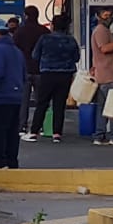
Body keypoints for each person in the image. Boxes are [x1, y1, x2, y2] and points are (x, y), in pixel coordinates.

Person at [28, 14, 81, 143]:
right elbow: (76, 58)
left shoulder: (44, 39)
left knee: (42, 103)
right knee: (59, 104)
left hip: (47, 73)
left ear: (53, 25)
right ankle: (57, 133)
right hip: (65, 74)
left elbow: (35, 55)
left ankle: (34, 132)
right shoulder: (71, 40)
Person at [0, 19, 27, 169]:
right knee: (12, 130)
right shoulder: (17, 51)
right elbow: (23, 74)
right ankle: (12, 160)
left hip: (2, 96)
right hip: (16, 97)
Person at [90, 8, 113, 145]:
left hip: (103, 73)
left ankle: (100, 135)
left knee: (103, 107)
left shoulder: (102, 30)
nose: (109, 18)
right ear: (99, 16)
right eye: (105, 15)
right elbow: (104, 48)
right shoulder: (101, 31)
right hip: (108, 73)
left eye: (110, 15)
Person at [13, 6, 48, 136]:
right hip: (41, 69)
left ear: (26, 16)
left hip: (24, 69)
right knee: (41, 100)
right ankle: (41, 126)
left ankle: (22, 126)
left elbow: (14, 49)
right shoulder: (44, 31)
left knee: (24, 100)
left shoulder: (20, 32)